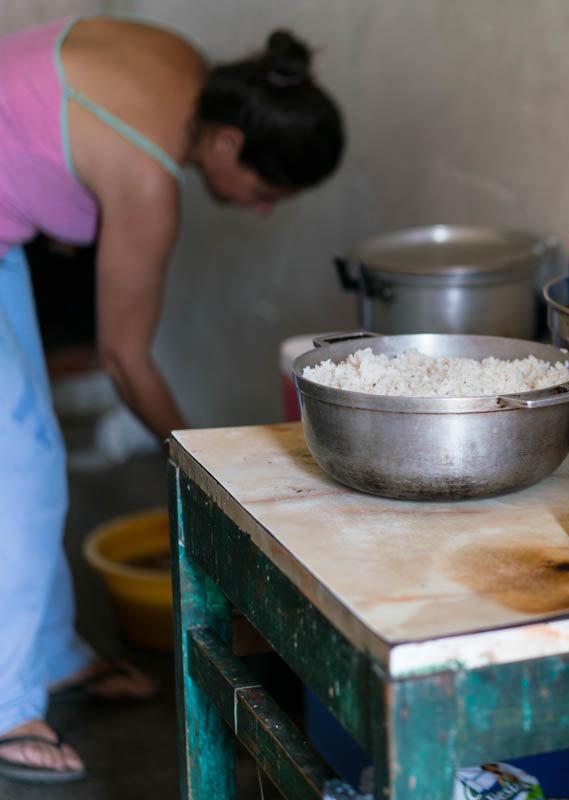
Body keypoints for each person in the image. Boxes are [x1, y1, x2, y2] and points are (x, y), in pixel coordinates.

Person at [0, 13, 344, 783]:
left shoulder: (191, 71)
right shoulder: (150, 179)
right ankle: (5, 705)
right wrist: (210, 467)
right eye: (265, 190)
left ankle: (50, 656)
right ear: (229, 142)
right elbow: (124, 362)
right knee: (13, 468)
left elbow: (45, 116)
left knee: (33, 447)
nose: (262, 208)